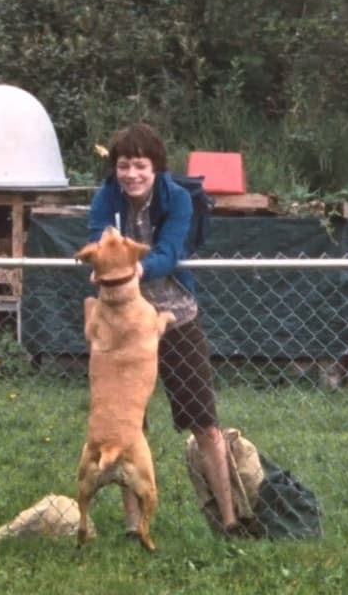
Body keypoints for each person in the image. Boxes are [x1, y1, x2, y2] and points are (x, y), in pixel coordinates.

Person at [86, 122, 241, 537]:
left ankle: (228, 520)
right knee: (127, 427)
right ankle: (134, 525)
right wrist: (99, 263)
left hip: (177, 318)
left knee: (205, 423)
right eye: (123, 166)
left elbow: (171, 251)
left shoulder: (178, 199)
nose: (132, 175)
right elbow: (95, 241)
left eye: (140, 166)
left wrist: (137, 269)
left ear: (155, 167)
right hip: (122, 326)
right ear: (115, 169)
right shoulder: (105, 198)